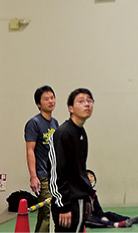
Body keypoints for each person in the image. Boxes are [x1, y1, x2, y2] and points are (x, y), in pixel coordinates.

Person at [50, 88, 95, 233]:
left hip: (78, 200)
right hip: (67, 203)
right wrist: (63, 206)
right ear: (71, 108)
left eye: (89, 100)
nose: (87, 104)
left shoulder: (81, 132)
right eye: (81, 101)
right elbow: (57, 172)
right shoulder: (63, 133)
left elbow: (79, 170)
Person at [25, 85, 59, 233]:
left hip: (55, 175)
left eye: (52, 98)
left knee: (58, 209)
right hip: (42, 174)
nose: (50, 101)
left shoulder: (55, 123)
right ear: (39, 104)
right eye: (46, 99)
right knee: (45, 211)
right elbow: (30, 150)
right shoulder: (34, 123)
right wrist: (34, 176)